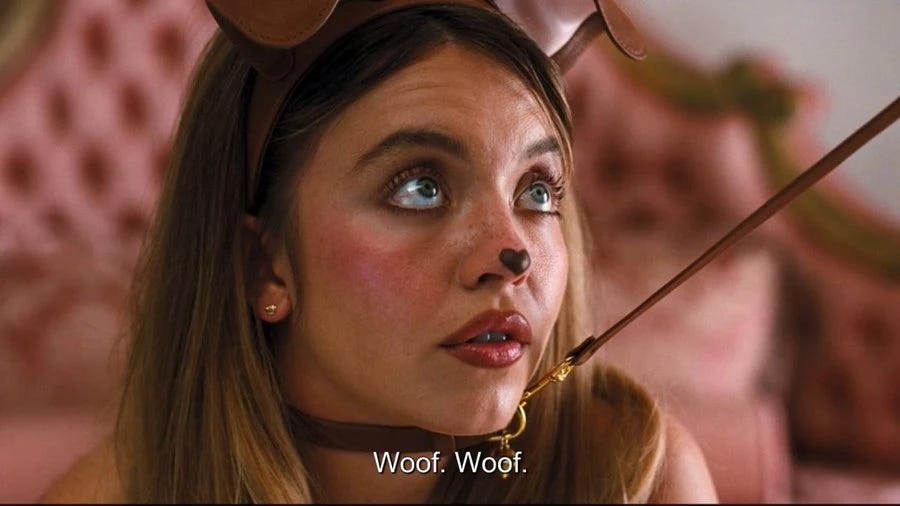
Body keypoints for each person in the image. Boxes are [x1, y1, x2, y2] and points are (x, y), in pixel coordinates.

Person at [41, 1, 716, 502]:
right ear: (263, 266)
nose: (513, 252)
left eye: (537, 191)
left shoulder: (637, 479)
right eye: (420, 189)